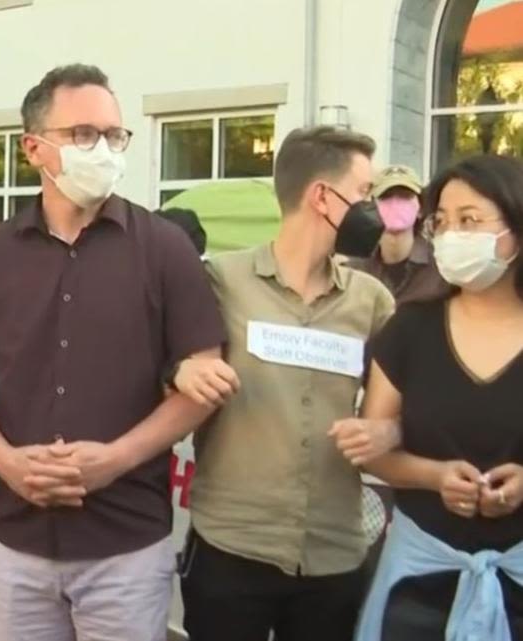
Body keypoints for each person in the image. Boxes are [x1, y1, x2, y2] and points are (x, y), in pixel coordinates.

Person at [0, 63, 226, 641]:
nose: (105, 150)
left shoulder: (164, 249)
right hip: (18, 541)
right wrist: (6, 463)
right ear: (33, 148)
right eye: (84, 135)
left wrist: (115, 459)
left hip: (126, 545)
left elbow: (204, 385)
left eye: (114, 135)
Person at [172, 126, 396, 641]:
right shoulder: (221, 281)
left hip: (333, 553)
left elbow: (403, 402)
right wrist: (178, 369)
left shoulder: (372, 301)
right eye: (364, 193)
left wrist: (389, 431)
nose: (374, 209)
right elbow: (155, 360)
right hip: (231, 548)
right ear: (322, 196)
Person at [339, 155, 523, 641]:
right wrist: (435, 476)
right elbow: (375, 453)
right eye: (440, 222)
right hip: (418, 585)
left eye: (470, 221)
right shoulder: (410, 329)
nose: (451, 235)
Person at [346, 165, 450, 305]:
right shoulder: (355, 269)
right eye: (386, 196)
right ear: (372, 208)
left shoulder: (441, 267)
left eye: (405, 196)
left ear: (420, 208)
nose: (395, 203)